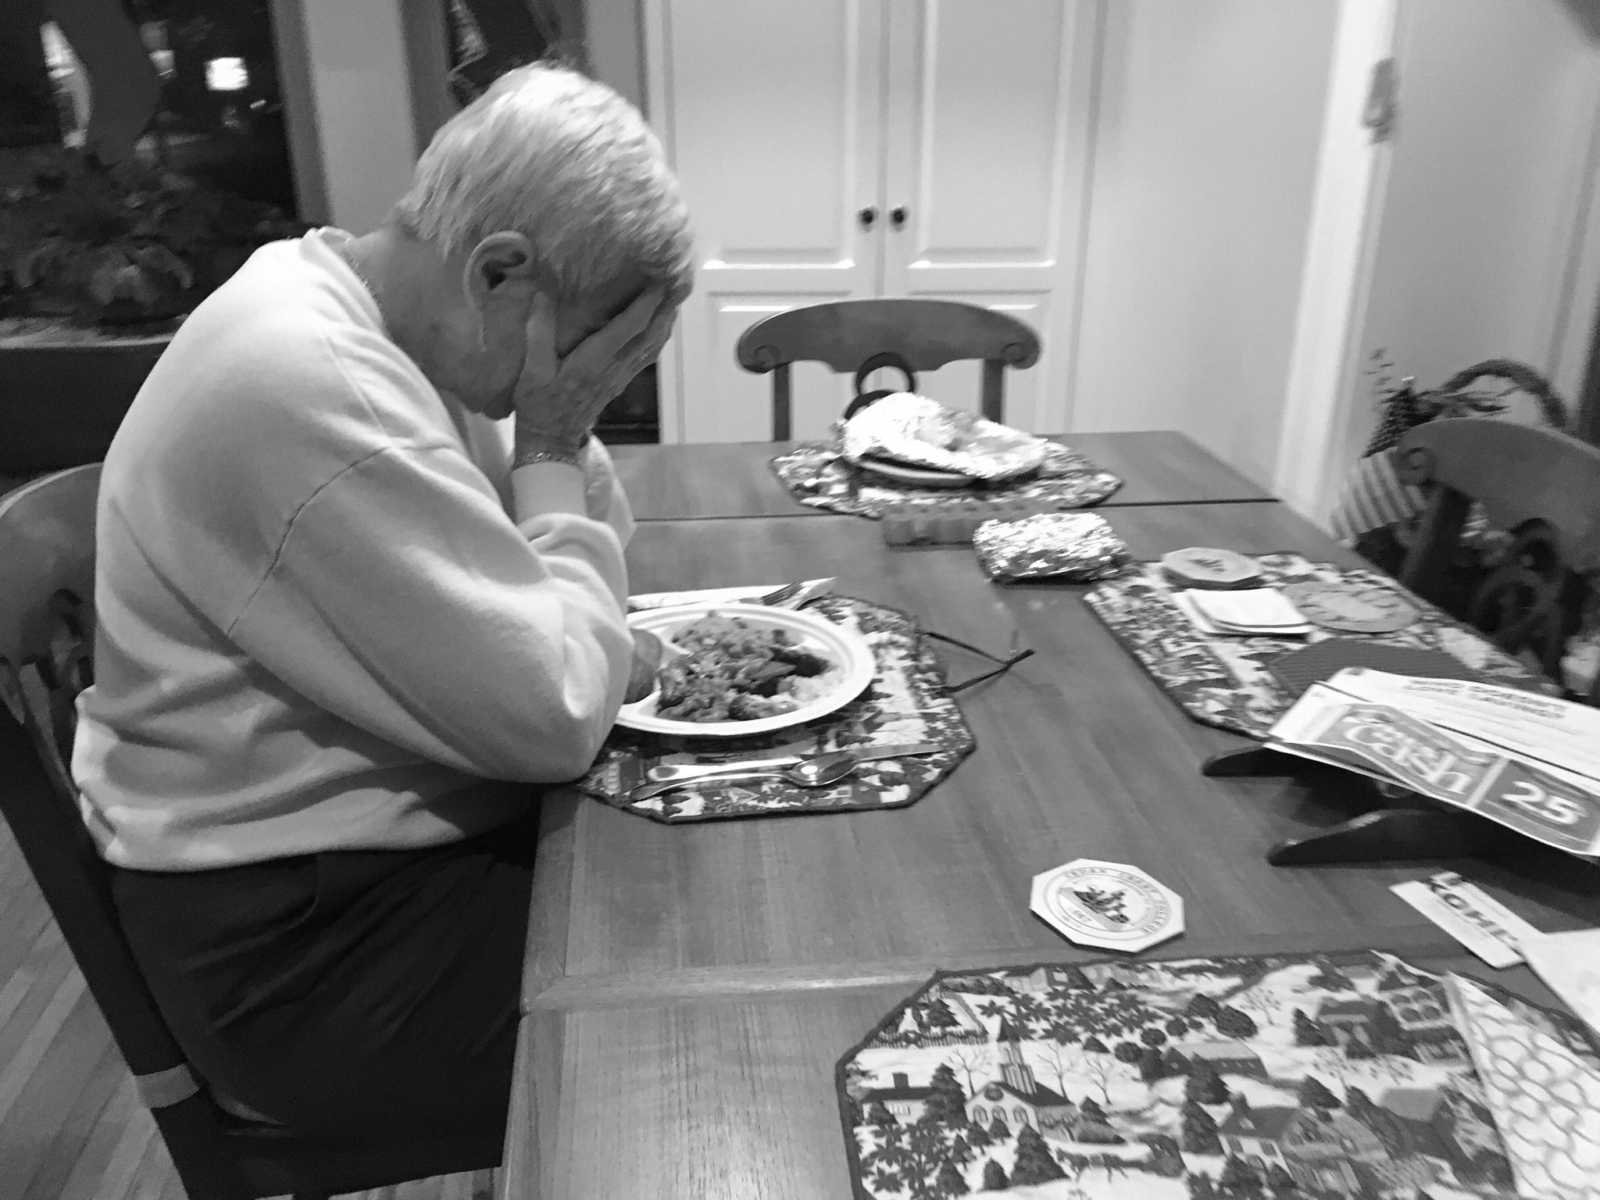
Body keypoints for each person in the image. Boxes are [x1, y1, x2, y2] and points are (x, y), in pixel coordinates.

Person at [70, 62, 693, 1157]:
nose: (604, 380)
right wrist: (550, 440)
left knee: (712, 863)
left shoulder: (389, 313)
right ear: (501, 272)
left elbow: (593, 576)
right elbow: (555, 715)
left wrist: (560, 428)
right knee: (702, 993)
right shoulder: (319, 385)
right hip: (299, 955)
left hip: (367, 862)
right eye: (598, 344)